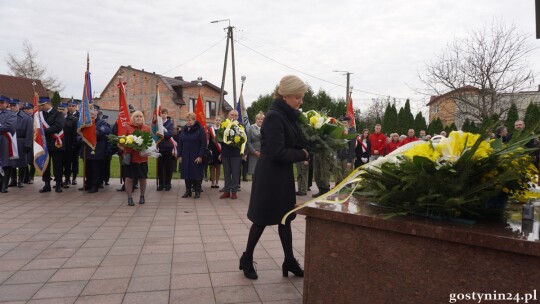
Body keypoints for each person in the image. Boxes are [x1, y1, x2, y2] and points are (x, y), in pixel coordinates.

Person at [241, 75, 310, 280]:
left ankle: (289, 260)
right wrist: (303, 154)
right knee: (261, 219)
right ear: (285, 95)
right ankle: (246, 258)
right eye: (298, 97)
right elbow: (278, 152)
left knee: (285, 219)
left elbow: (292, 142)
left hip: (282, 175)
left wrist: (313, 142)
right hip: (269, 176)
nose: (301, 101)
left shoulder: (288, 115)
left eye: (301, 97)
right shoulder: (273, 116)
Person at [121, 111, 150, 206]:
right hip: (130, 157)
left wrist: (146, 148)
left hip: (142, 158)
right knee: (129, 178)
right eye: (136, 116)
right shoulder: (127, 127)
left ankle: (142, 196)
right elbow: (120, 142)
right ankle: (129, 198)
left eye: (140, 116)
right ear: (133, 118)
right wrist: (129, 145)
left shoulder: (147, 128)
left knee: (142, 178)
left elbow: (150, 142)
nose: (139, 118)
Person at [38, 96, 66, 193]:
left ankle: (58, 183)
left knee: (57, 165)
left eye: (43, 105)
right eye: (40, 105)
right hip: (44, 143)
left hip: (55, 143)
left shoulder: (58, 114)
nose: (41, 107)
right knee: (45, 164)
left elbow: (58, 126)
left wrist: (43, 132)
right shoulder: (40, 115)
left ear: (48, 104)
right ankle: (47, 184)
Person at [80, 105, 111, 193]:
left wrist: (88, 135)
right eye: (90, 111)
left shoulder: (102, 122)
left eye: (94, 110)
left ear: (97, 112)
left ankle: (95, 185)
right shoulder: (84, 123)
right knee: (87, 168)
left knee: (95, 168)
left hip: (97, 149)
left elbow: (101, 132)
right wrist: (81, 139)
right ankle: (88, 184)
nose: (92, 112)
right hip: (86, 148)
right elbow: (79, 134)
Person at [177, 112, 207, 199]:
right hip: (186, 156)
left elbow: (203, 143)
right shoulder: (184, 129)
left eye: (190, 120)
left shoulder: (199, 129)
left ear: (194, 120)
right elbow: (180, 143)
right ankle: (188, 191)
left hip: (196, 156)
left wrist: (200, 156)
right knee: (187, 173)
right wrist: (180, 155)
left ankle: (197, 191)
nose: (188, 122)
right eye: (187, 120)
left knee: (196, 174)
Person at [8, 99, 32, 188]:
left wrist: (28, 144)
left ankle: (21, 180)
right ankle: (13, 179)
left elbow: (29, 132)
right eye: (11, 105)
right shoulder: (7, 116)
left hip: (21, 141)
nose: (13, 107)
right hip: (10, 141)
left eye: (14, 105)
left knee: (22, 161)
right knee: (11, 161)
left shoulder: (26, 118)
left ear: (19, 106)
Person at [219, 110, 242, 199]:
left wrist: (235, 142)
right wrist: (227, 141)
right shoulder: (223, 125)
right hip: (225, 152)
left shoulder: (240, 126)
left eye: (236, 115)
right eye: (232, 115)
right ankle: (227, 191)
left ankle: (234, 192)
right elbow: (219, 138)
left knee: (235, 173)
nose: (234, 116)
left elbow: (243, 139)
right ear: (228, 115)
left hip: (236, 153)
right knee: (227, 173)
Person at [57, 102, 78, 188]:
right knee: (59, 164)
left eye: (63, 109)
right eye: (59, 109)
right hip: (58, 145)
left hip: (68, 145)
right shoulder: (55, 119)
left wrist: (73, 145)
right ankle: (59, 180)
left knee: (68, 163)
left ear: (67, 110)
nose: (61, 111)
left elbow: (74, 134)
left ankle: (67, 179)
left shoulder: (73, 120)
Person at [0, 95, 17, 193]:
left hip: (6, 140)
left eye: (2, 103)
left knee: (6, 162)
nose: (0, 104)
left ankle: (5, 185)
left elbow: (9, 126)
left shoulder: (11, 114)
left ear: (7, 104)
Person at [156, 108, 176, 191]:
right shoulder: (158, 123)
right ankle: (161, 184)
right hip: (160, 148)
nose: (163, 115)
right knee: (160, 167)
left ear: (167, 114)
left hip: (168, 148)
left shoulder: (170, 123)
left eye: (165, 113)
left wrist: (161, 132)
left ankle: (168, 183)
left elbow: (169, 134)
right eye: (162, 113)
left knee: (168, 167)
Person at [334, 116, 355, 185]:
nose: (343, 124)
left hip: (347, 157)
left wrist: (349, 161)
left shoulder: (352, 133)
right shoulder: (340, 132)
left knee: (346, 174)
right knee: (338, 173)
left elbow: (352, 148)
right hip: (339, 156)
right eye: (342, 123)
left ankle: (346, 188)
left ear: (349, 123)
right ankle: (338, 187)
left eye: (344, 123)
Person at [66, 99, 80, 185]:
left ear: (76, 107)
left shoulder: (79, 116)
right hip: (67, 142)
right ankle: (67, 177)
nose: (71, 108)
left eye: (73, 106)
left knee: (75, 161)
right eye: (69, 106)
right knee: (67, 161)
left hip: (75, 142)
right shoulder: (65, 115)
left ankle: (74, 177)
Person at [21, 103, 35, 184]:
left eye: (28, 109)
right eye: (24, 109)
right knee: (25, 159)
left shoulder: (36, 118)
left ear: (32, 109)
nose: (26, 110)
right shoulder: (22, 118)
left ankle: (31, 176)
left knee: (32, 160)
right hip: (25, 141)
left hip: (34, 141)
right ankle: (25, 177)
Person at [247, 112, 264, 177]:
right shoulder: (251, 128)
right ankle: (255, 187)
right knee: (255, 173)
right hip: (254, 154)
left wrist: (263, 152)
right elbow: (249, 142)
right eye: (258, 119)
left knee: (263, 173)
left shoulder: (266, 128)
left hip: (264, 154)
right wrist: (254, 151)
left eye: (262, 119)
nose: (260, 120)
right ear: (256, 120)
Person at [208, 116, 222, 189]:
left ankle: (217, 182)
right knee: (212, 167)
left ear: (221, 121)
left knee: (218, 167)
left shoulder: (222, 130)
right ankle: (212, 182)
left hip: (220, 151)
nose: (218, 121)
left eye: (219, 120)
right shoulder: (210, 129)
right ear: (214, 120)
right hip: (212, 150)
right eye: (216, 120)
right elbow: (209, 140)